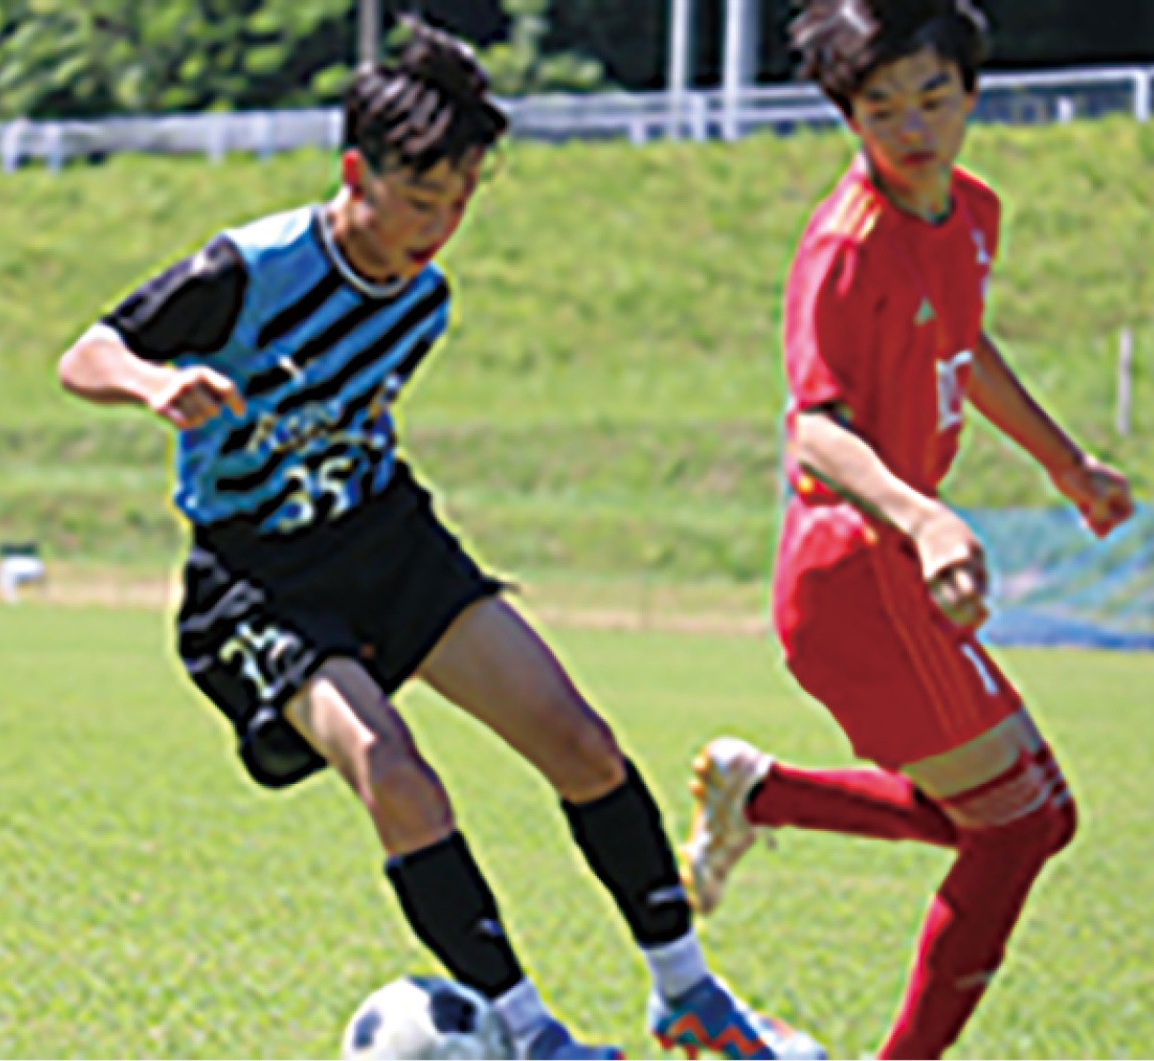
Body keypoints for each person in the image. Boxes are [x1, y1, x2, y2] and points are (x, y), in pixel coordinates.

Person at [57, 20, 825, 1061]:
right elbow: (86, 352)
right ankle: (532, 1036)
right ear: (355, 172)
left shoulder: (422, 302)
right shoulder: (248, 267)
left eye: (459, 201)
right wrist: (154, 382)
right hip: (261, 578)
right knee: (397, 772)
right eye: (421, 198)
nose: (440, 226)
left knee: (581, 743)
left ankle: (688, 994)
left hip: (387, 540)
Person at [680, 1, 1134, 1058]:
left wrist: (1065, 462)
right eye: (881, 107)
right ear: (850, 119)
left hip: (903, 571)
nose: (912, 125)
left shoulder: (971, 210)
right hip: (855, 575)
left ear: (972, 93)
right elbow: (813, 429)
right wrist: (928, 518)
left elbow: (963, 346)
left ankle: (764, 792)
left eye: (933, 95)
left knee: (1026, 818)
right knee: (1019, 825)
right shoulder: (844, 249)